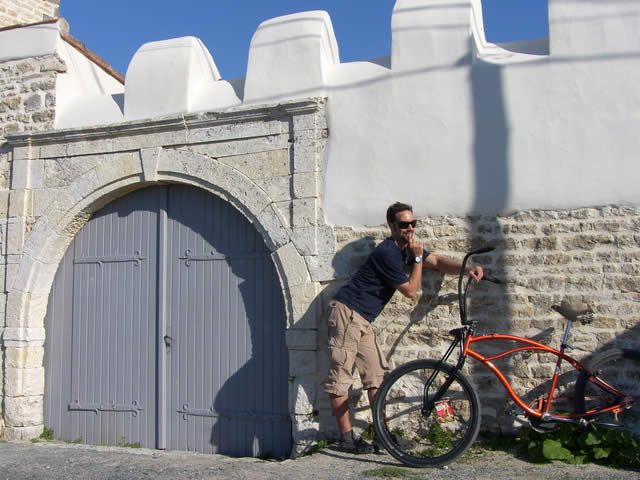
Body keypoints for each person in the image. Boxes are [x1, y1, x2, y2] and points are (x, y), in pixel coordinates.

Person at [324, 202, 484, 454]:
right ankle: (346, 439)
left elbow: (439, 262)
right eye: (403, 224)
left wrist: (466, 269)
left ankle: (382, 435)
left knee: (376, 377)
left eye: (412, 224)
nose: (409, 229)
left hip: (363, 319)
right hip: (347, 314)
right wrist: (418, 259)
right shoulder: (387, 252)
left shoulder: (407, 249)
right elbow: (410, 291)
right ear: (391, 226)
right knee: (340, 378)